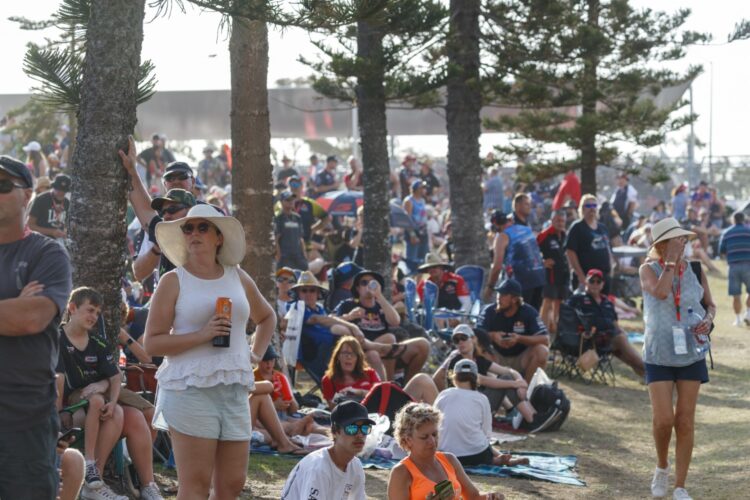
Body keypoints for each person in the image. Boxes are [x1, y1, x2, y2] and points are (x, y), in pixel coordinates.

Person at [144, 204, 276, 499]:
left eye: (203, 227)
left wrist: (255, 353)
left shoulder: (237, 276)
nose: (194, 233)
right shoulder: (173, 280)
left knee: (232, 485)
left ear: (219, 237)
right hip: (189, 389)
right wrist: (202, 335)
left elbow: (267, 317)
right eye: (188, 228)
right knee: (196, 486)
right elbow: (152, 343)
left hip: (234, 390)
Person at [0, 155, 72, 500]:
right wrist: (13, 303)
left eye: (2, 185)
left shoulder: (47, 254)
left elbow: (32, 318)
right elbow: (18, 315)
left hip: (25, 416)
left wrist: (22, 310)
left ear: (27, 194)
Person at [639, 217, 716, 500]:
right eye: (677, 239)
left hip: (691, 352)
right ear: (662, 244)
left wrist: (708, 320)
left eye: (683, 239)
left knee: (684, 420)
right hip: (659, 352)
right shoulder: (648, 269)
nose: (683, 243)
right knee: (663, 420)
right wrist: (670, 262)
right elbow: (660, 292)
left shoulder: (695, 268)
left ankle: (680, 486)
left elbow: (710, 305)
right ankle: (662, 467)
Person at [56, 287, 127, 500]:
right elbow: (57, 379)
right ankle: (89, 466)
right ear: (72, 308)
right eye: (90, 310)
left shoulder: (97, 341)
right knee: (96, 399)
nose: (94, 317)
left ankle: (95, 482)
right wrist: (58, 414)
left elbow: (116, 378)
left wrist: (113, 401)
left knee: (120, 412)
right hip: (72, 406)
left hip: (96, 401)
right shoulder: (56, 337)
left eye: (97, 312)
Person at [388, 402, 504, 500]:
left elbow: (473, 496)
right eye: (424, 437)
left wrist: (491, 496)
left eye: (434, 434)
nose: (432, 441)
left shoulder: (449, 460)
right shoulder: (401, 472)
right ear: (408, 440)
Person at [435, 359, 530, 467]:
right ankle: (496, 459)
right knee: (480, 442)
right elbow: (486, 432)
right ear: (476, 378)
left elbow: (434, 423)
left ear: (454, 377)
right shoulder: (481, 399)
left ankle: (496, 458)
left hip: (445, 455)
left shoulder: (443, 395)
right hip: (475, 455)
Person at [281, 401, 370, 499]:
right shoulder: (319, 468)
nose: (360, 435)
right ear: (335, 431)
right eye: (352, 428)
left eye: (365, 428)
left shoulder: (355, 466)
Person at [566, 269, 645, 377]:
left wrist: (621, 331)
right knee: (622, 342)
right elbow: (566, 317)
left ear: (602, 284)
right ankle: (653, 374)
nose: (595, 284)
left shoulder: (607, 301)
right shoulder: (578, 299)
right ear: (586, 282)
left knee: (626, 352)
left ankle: (648, 377)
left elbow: (614, 322)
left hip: (609, 339)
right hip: (589, 341)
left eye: (598, 282)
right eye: (592, 281)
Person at [321, 336, 437, 408]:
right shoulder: (329, 380)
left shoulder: (369, 373)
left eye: (353, 354)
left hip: (388, 409)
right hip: (364, 420)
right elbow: (333, 408)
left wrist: (359, 392)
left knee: (423, 380)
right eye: (345, 353)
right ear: (338, 357)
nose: (349, 357)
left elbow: (382, 395)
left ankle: (444, 428)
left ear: (358, 358)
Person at [479, 279, 549, 383]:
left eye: (503, 294)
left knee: (542, 351)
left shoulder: (528, 312)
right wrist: (493, 336)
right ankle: (489, 390)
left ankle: (526, 391)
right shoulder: (488, 310)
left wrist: (519, 339)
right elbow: (474, 336)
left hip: (521, 359)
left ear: (515, 299)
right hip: (495, 357)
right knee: (477, 349)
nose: (498, 297)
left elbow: (545, 339)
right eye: (498, 293)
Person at [487, 193, 545, 310]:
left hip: (522, 280)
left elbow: (497, 266)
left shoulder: (502, 236)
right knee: (533, 316)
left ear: (496, 226)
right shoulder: (526, 229)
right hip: (539, 277)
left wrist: (489, 287)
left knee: (517, 319)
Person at [565, 193, 613, 294]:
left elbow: (608, 248)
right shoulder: (577, 227)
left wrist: (611, 268)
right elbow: (570, 252)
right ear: (582, 209)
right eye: (588, 206)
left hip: (603, 277)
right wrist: (580, 275)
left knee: (604, 307)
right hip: (587, 278)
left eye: (594, 205)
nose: (592, 208)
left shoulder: (602, 228)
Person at [537, 210, 569, 334]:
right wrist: (542, 262)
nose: (560, 223)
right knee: (548, 301)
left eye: (562, 221)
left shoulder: (565, 235)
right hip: (550, 275)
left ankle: (556, 330)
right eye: (557, 221)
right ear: (552, 221)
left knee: (560, 302)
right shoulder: (544, 235)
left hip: (563, 275)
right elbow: (533, 252)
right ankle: (542, 331)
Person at [718, 212, 750, 326]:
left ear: (733, 220)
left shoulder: (726, 233)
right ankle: (748, 313)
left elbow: (721, 251)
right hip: (748, 265)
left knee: (736, 295)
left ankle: (738, 320)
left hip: (733, 266)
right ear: (744, 219)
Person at [28, 173, 72, 241]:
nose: (60, 192)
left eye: (63, 190)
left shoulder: (67, 203)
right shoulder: (41, 199)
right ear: (53, 186)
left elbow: (66, 226)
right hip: (39, 241)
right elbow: (30, 225)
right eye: (58, 188)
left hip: (58, 242)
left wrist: (65, 232)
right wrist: (51, 232)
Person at [275, 190, 309, 270]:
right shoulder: (278, 218)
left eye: (292, 199)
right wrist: (278, 256)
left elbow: (301, 239)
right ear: (281, 202)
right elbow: (276, 239)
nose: (291, 202)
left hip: (298, 256)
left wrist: (304, 255)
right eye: (287, 200)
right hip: (285, 257)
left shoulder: (297, 218)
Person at [404, 180, 430, 273]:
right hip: (414, 233)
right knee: (412, 260)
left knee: (423, 261)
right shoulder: (409, 201)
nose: (424, 189)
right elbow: (407, 219)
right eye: (422, 188)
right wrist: (412, 235)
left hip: (423, 232)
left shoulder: (422, 200)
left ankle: (419, 283)